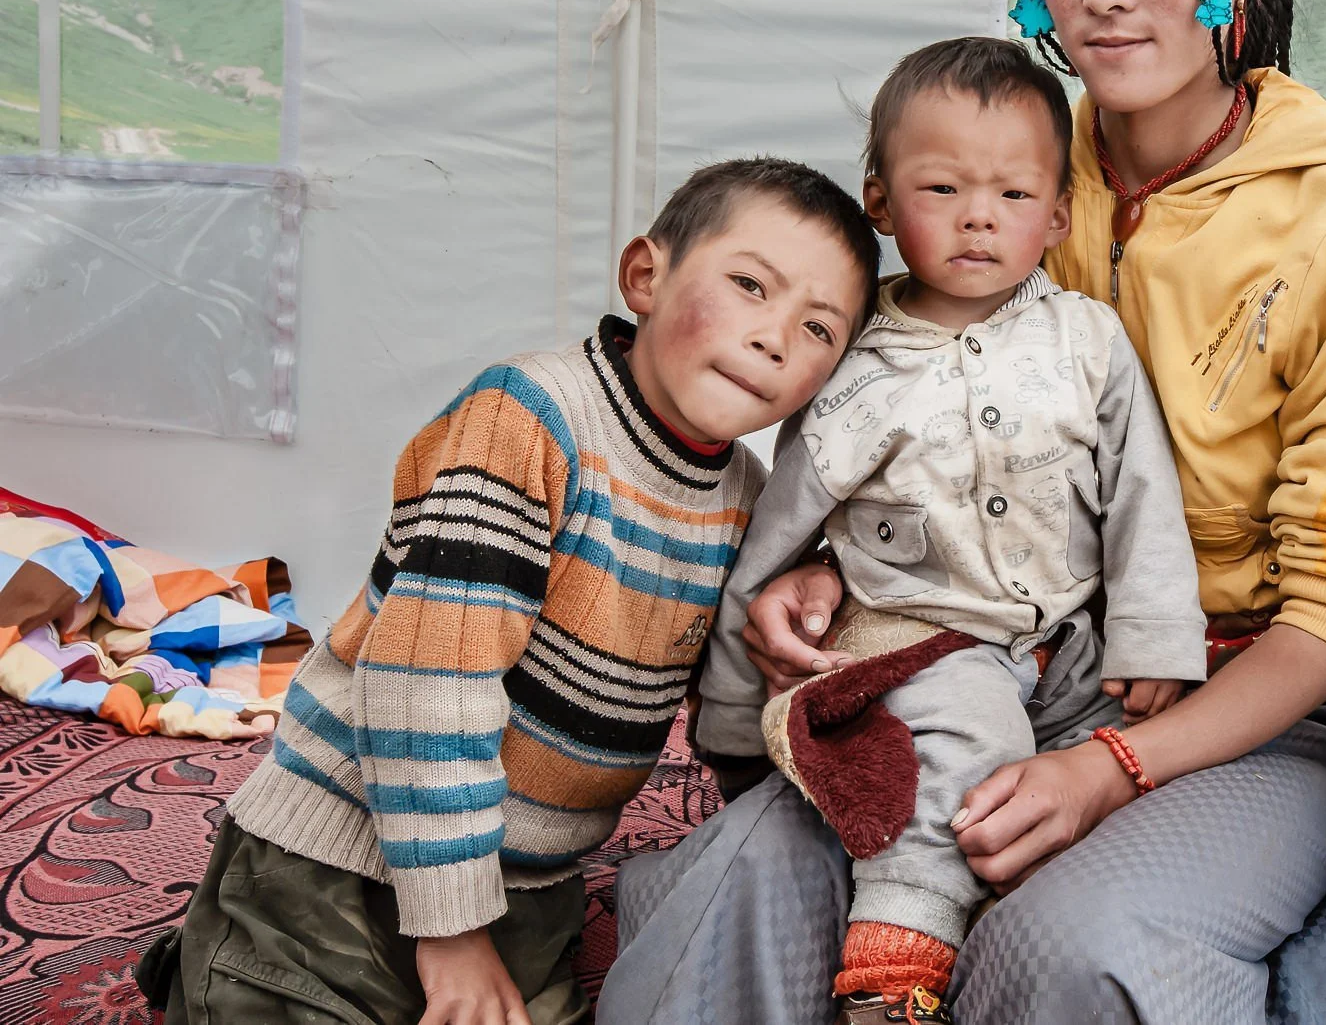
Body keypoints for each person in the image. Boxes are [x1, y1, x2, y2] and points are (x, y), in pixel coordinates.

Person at [602, 0, 1326, 1025]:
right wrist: (843, 556)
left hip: (1254, 701)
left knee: (1068, 943)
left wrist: (1115, 764)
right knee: (757, 875)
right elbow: (884, 400)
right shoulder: (1003, 164)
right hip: (985, 660)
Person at [140, 158, 879, 1025]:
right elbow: (428, 683)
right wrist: (451, 933)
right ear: (645, 275)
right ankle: (221, 950)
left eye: (820, 329)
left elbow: (730, 700)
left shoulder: (747, 496)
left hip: (528, 885)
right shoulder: (530, 420)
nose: (775, 337)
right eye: (751, 284)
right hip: (346, 850)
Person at [695, 37, 1208, 1024]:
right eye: (941, 188)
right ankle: (893, 969)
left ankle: (1028, 921)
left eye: (1013, 196)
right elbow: (776, 535)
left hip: (1063, 643)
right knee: (968, 736)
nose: (979, 215)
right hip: (916, 639)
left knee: (1114, 762)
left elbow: (1141, 490)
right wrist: (729, 723)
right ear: (880, 201)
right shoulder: (852, 365)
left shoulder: (1085, 340)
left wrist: (1154, 633)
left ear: (1057, 214)